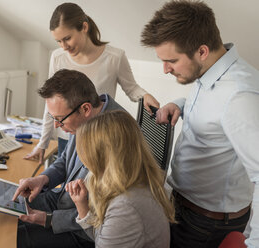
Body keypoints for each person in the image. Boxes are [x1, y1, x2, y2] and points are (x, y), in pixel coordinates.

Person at [140, 1, 259, 247]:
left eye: (171, 60)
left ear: (202, 51)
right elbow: (216, 114)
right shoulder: (209, 70)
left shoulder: (240, 96)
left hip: (205, 224)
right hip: (183, 204)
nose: (164, 69)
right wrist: (180, 105)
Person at [24, 2, 159, 163]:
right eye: (58, 41)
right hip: (67, 137)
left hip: (100, 139)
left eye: (67, 38)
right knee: (68, 184)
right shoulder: (58, 57)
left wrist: (145, 95)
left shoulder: (114, 57)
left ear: (84, 27)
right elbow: (51, 105)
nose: (64, 46)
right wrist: (43, 143)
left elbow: (132, 88)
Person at [13, 69, 127, 248]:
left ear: (85, 109)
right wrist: (43, 179)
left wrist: (50, 219)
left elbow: (103, 214)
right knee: (8, 212)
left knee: (14, 238)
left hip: (82, 229)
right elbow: (66, 159)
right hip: (63, 201)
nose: (57, 125)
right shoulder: (83, 119)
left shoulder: (118, 138)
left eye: (60, 119)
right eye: (53, 119)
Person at [65, 110, 175, 248]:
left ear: (102, 157)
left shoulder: (125, 206)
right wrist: (82, 205)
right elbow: (102, 236)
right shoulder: (134, 182)